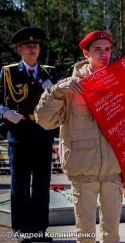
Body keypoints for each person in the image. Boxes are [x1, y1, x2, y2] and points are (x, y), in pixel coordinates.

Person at [35, 30, 123, 242]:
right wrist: (56, 92)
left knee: (112, 236)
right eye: (98, 50)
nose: (104, 54)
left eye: (108, 49)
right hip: (83, 170)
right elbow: (44, 120)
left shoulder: (120, 82)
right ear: (86, 53)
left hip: (113, 170)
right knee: (85, 235)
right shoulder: (70, 86)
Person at [0, 27, 55, 242]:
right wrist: (5, 112)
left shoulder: (49, 72)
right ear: (19, 49)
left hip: (43, 134)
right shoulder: (7, 72)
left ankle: (40, 230)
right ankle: (22, 230)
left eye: (36, 45)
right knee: (20, 184)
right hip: (19, 135)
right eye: (28, 45)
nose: (33, 48)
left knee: (42, 184)